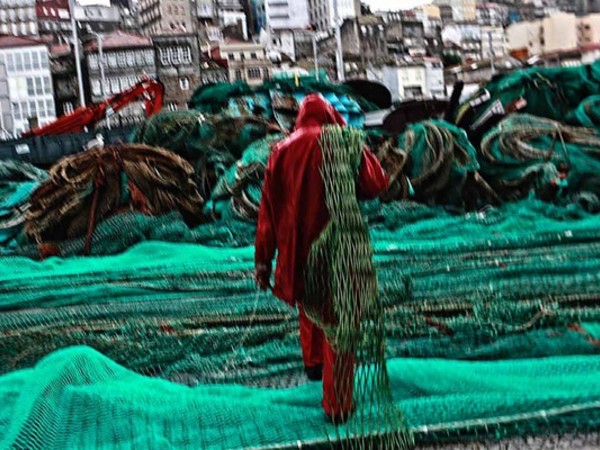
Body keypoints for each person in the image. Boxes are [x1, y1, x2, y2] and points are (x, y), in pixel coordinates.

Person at [254, 94, 388, 423]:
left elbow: (267, 214)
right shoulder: (343, 143)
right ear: (330, 116)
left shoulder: (280, 151)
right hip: (338, 251)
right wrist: (350, 141)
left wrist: (262, 262)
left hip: (297, 252)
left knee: (310, 308)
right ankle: (337, 405)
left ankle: (313, 365)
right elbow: (376, 184)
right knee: (340, 325)